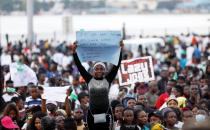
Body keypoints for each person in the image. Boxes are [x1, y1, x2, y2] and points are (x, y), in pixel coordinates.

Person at [71, 41, 123, 130]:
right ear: (93, 71)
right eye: (97, 69)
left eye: (101, 69)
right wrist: (74, 52)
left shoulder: (108, 79)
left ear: (105, 71)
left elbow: (116, 66)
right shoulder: (89, 79)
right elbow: (79, 66)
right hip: (92, 114)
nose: (99, 70)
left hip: (106, 113)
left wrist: (120, 50)